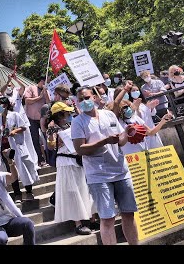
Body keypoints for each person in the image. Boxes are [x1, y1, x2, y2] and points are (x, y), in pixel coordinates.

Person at [71, 86, 139, 245]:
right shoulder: (77, 122)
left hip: (121, 172)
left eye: (87, 97)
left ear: (94, 97)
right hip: (99, 176)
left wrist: (127, 133)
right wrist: (105, 141)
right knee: (108, 219)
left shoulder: (108, 115)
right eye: (81, 99)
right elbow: (80, 149)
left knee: (129, 214)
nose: (85, 101)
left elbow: (121, 141)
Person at [45, 102, 98, 235]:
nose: (69, 115)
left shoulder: (71, 124)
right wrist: (51, 134)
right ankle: (78, 223)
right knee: (73, 191)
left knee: (86, 189)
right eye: (66, 113)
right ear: (59, 115)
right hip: (65, 161)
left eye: (69, 112)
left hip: (79, 160)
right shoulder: (53, 128)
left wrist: (78, 110)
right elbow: (51, 146)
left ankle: (92, 219)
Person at [0, 96, 39, 202]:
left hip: (15, 146)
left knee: (23, 169)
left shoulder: (15, 115)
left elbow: (24, 127)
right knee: (11, 170)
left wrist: (14, 132)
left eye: (1, 104)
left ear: (6, 105)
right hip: (4, 148)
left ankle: (28, 191)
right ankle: (17, 193)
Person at [23, 75, 49, 167]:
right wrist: (39, 97)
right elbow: (27, 101)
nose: (45, 84)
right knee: (35, 139)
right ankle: (40, 159)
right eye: (44, 82)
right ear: (40, 81)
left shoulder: (46, 91)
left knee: (48, 138)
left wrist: (46, 95)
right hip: (32, 119)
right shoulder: (31, 88)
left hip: (43, 119)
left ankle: (50, 158)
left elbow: (49, 103)